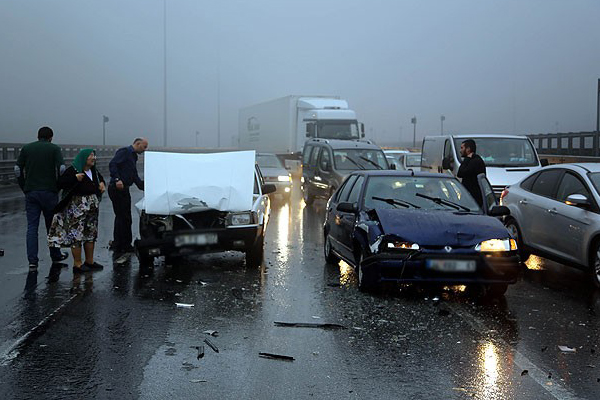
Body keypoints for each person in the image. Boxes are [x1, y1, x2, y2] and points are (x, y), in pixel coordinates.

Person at [15, 126, 68, 269]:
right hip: (49, 192)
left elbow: (17, 169)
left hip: (31, 191)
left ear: (38, 136)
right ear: (50, 137)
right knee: (52, 226)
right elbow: (62, 169)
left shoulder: (27, 149)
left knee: (32, 227)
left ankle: (32, 260)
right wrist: (58, 187)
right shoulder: (54, 149)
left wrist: (24, 187)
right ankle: (56, 255)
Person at [48, 149, 106, 273]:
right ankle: (77, 264)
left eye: (94, 156)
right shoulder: (73, 170)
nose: (93, 158)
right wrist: (75, 178)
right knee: (77, 233)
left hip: (92, 205)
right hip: (77, 206)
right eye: (91, 156)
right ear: (83, 158)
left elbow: (100, 179)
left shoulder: (93, 171)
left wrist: (102, 184)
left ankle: (89, 261)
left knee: (91, 232)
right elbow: (60, 183)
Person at [108, 137, 148, 254]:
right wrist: (117, 179)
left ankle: (121, 243)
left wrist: (143, 186)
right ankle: (122, 244)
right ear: (137, 143)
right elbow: (113, 164)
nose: (145, 150)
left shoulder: (133, 156)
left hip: (124, 189)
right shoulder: (125, 152)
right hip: (117, 188)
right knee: (122, 217)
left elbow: (134, 174)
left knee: (124, 217)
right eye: (144, 147)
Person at [457, 139, 486, 206]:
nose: (460, 151)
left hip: (472, 198)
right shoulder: (477, 160)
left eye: (462, 148)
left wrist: (467, 159)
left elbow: (460, 173)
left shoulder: (474, 162)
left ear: (468, 149)